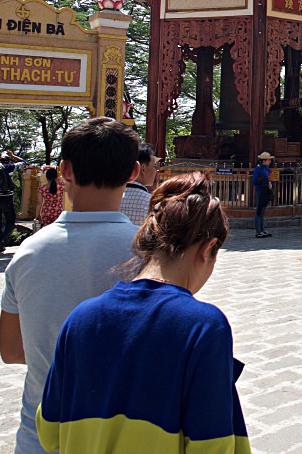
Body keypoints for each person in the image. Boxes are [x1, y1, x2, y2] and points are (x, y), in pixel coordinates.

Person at [35, 172, 250, 453]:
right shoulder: (204, 326)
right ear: (208, 248)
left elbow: (49, 431)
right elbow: (212, 446)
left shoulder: (81, 317)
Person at [0, 117, 141, 454]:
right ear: (134, 172)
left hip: (42, 435)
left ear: (64, 170)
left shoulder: (28, 253)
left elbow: (13, 351)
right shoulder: (147, 253)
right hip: (126, 435)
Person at [120, 142, 159, 226]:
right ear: (143, 169)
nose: (156, 171)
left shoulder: (113, 199)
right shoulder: (151, 203)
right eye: (154, 167)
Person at [252, 151, 274, 238]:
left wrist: (270, 183)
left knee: (263, 210)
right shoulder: (259, 169)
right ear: (263, 161)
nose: (270, 162)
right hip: (260, 190)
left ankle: (262, 229)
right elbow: (255, 181)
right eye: (268, 160)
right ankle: (258, 230)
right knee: (259, 210)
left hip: (266, 190)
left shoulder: (266, 169)